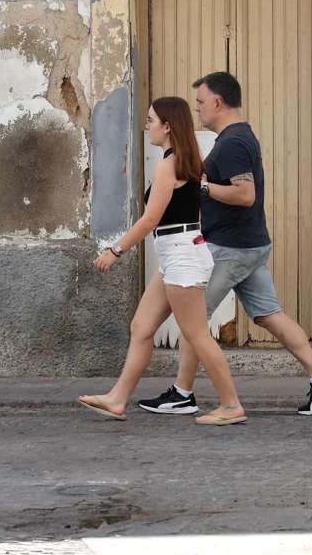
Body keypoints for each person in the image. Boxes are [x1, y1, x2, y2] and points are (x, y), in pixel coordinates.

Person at [137, 72, 312, 417]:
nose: (198, 110)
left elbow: (245, 194)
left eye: (201, 103)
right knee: (268, 315)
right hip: (249, 244)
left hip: (230, 247)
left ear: (217, 103)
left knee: (193, 319)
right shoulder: (237, 137)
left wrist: (201, 187)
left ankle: (182, 393)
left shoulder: (233, 143)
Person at [78, 96, 247, 426]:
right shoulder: (184, 162)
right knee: (141, 327)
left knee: (196, 334)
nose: (147, 126)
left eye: (151, 120)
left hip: (182, 256)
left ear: (167, 127)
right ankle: (116, 399)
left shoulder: (168, 166)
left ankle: (231, 405)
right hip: (178, 253)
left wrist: (114, 251)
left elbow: (149, 219)